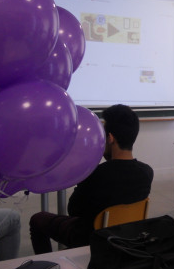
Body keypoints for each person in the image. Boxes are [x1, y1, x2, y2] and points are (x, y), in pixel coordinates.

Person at [29, 104, 153, 254]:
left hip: (88, 237)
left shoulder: (96, 174)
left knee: (38, 219)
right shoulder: (147, 172)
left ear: (110, 138)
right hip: (126, 236)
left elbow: (74, 210)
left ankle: (46, 265)